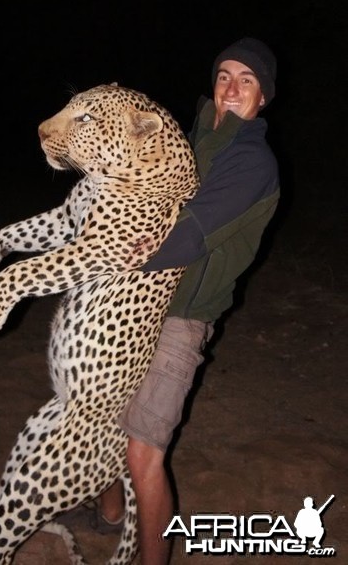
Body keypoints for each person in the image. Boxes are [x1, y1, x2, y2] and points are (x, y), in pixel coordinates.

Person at [83, 37, 280, 564]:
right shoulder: (190, 143)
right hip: (133, 302)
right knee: (101, 418)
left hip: (182, 318)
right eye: (223, 76)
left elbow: (186, 237)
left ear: (263, 97)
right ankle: (108, 513)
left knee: (144, 451)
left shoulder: (251, 162)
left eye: (247, 80)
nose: (232, 88)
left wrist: (99, 256)